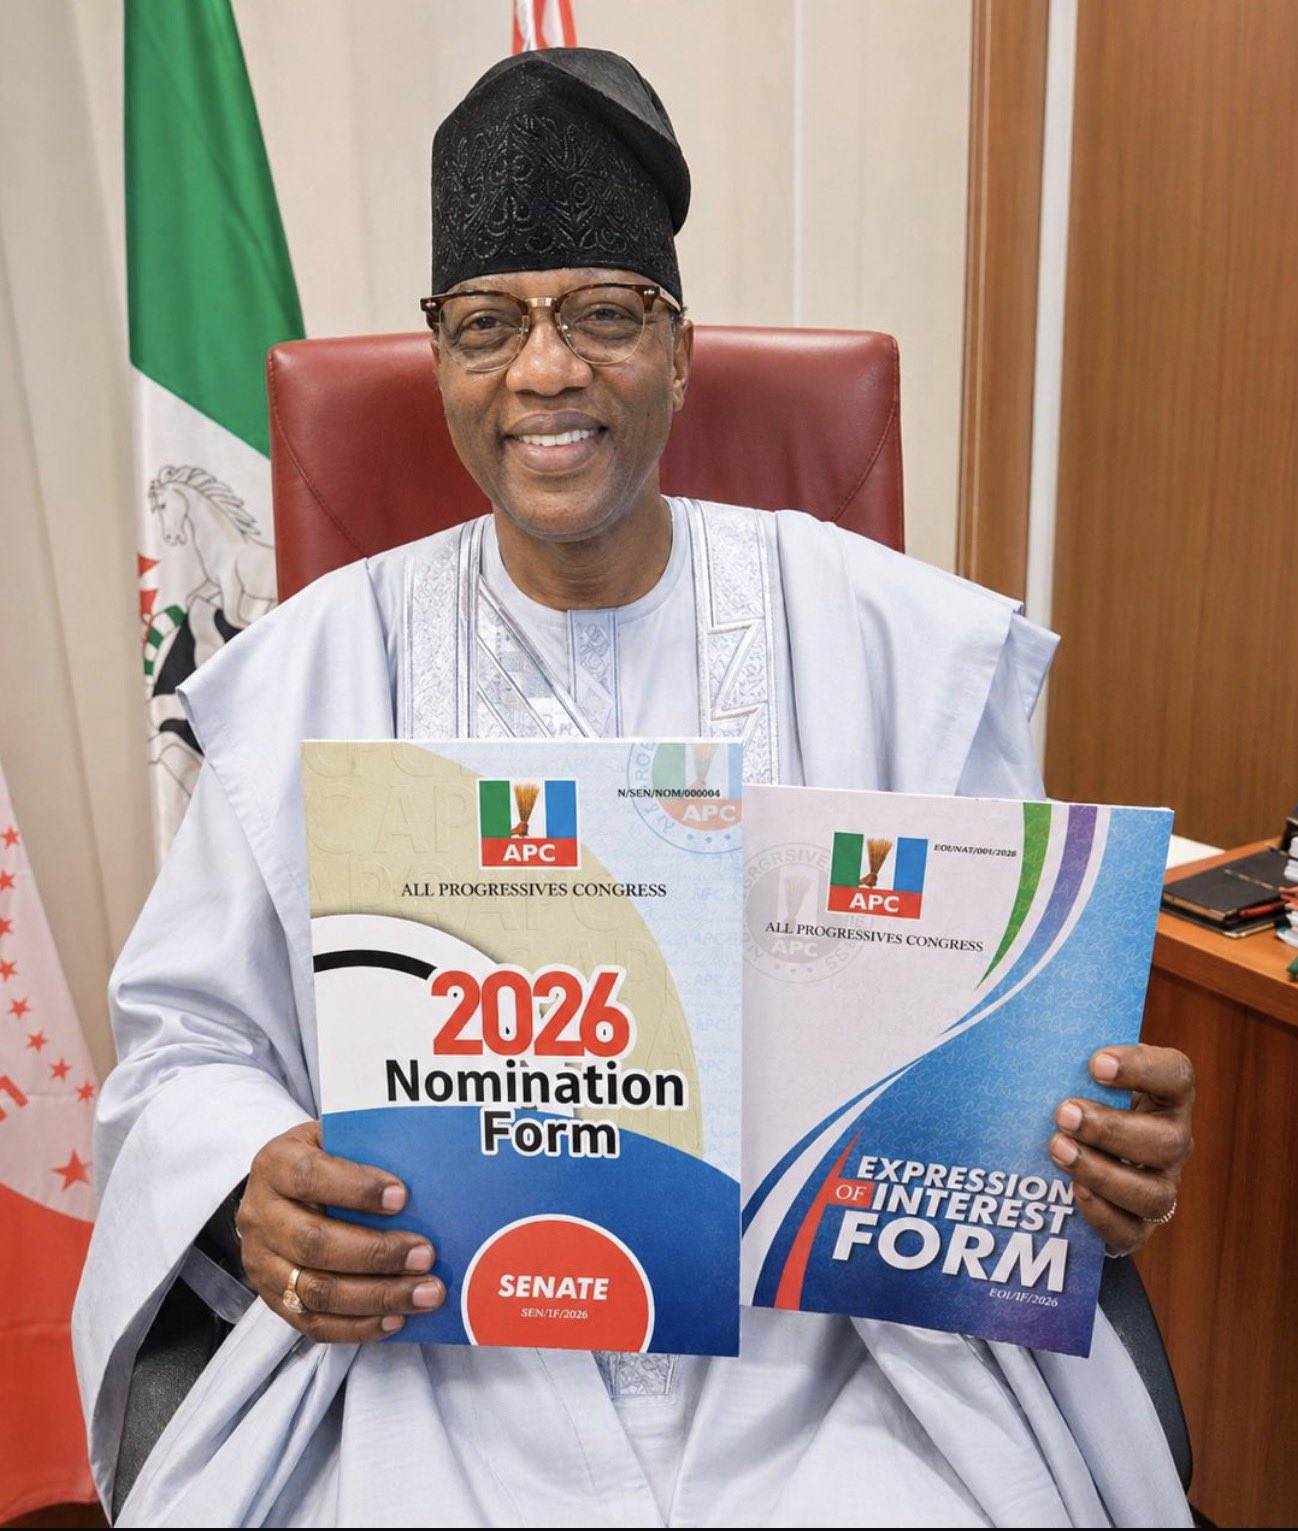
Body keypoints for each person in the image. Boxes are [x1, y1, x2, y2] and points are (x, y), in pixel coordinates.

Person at [74, 47, 1194, 1527]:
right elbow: (185, 1045)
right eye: (488, 325)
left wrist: (1088, 1144)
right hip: (442, 1342)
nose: (545, 371)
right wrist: (249, 1180)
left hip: (832, 1354)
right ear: (440, 361)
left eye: (603, 314)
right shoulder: (309, 671)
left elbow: (1009, 1026)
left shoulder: (896, 643)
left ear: (678, 350)